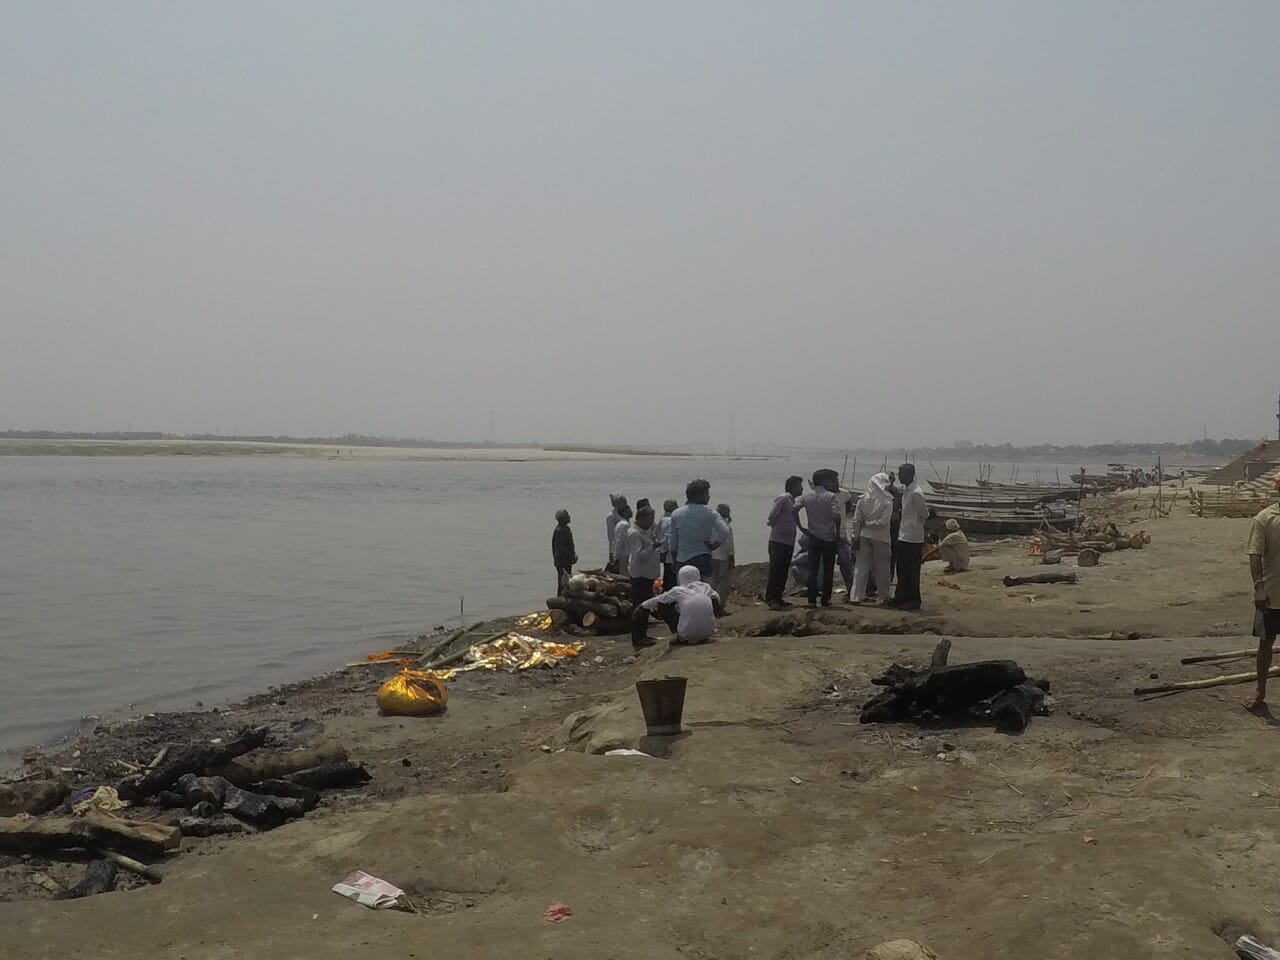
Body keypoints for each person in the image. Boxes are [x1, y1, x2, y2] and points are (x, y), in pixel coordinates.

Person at [1243, 471, 1280, 712]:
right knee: (1266, 644)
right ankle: (1260, 691)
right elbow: (1255, 555)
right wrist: (1258, 588)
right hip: (1272, 594)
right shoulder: (1265, 518)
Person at [632, 564, 723, 649]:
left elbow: (659, 599)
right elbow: (717, 598)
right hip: (708, 632)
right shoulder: (706, 587)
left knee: (663, 604)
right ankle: (704, 628)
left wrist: (642, 606)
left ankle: (679, 635)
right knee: (710, 600)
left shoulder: (678, 590)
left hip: (687, 634)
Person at [794, 469, 842, 607]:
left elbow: (794, 509)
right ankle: (825, 599)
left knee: (813, 569)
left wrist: (801, 527)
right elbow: (836, 516)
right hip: (828, 538)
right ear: (825, 482)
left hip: (814, 537)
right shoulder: (830, 496)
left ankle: (811, 599)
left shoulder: (807, 497)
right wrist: (837, 533)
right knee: (828, 569)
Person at [668, 479, 730, 580]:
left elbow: (673, 542)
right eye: (706, 494)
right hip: (702, 557)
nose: (709, 496)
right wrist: (714, 545)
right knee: (703, 590)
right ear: (699, 496)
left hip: (682, 558)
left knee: (684, 591)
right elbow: (725, 532)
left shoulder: (676, 514)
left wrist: (674, 560)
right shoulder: (711, 513)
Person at [851, 472, 894, 605]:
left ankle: (856, 596)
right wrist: (870, 524)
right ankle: (883, 596)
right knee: (882, 568)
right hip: (881, 537)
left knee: (861, 567)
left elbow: (856, 521)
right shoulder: (887, 501)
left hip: (864, 536)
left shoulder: (862, 500)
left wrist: (855, 536)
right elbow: (884, 522)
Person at [891, 463, 928, 611]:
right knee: (901, 568)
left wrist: (915, 524)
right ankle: (901, 597)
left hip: (913, 537)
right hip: (904, 535)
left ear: (909, 475)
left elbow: (924, 513)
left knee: (912, 570)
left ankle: (914, 599)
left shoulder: (916, 492)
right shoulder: (906, 491)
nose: (899, 476)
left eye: (901, 474)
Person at [766, 476, 804, 609]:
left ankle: (778, 597)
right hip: (778, 540)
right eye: (800, 486)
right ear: (793, 486)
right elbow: (772, 515)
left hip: (787, 541)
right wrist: (773, 524)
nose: (802, 488)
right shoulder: (784, 498)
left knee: (783, 570)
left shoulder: (791, 500)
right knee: (776, 570)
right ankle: (772, 599)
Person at [623, 505, 663, 609]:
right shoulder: (635, 534)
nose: (651, 522)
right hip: (641, 575)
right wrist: (653, 546)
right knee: (641, 604)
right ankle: (637, 624)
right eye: (650, 520)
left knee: (646, 603)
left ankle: (642, 623)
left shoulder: (646, 532)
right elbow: (639, 556)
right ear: (642, 519)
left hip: (647, 575)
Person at [710, 503, 735, 602]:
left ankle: (712, 602)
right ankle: (720, 604)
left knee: (713, 581)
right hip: (723, 556)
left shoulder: (711, 524)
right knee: (723, 582)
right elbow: (730, 544)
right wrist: (732, 557)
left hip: (712, 555)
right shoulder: (726, 526)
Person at [551, 509, 577, 595]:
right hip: (562, 561)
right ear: (563, 519)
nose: (569, 517)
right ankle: (560, 599)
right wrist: (572, 556)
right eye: (567, 516)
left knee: (566, 581)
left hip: (565, 560)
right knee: (563, 582)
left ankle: (563, 598)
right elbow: (562, 548)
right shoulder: (560, 531)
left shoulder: (565, 529)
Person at [656, 499, 679, 591]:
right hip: (670, 553)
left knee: (666, 576)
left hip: (663, 552)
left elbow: (657, 535)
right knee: (672, 579)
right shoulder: (670, 520)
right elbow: (669, 538)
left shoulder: (661, 519)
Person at [605, 493, 628, 571]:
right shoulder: (611, 516)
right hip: (615, 547)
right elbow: (611, 536)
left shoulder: (621, 515)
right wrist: (612, 553)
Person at [610, 503, 634, 577]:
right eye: (629, 510)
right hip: (624, 554)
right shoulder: (624, 525)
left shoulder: (621, 523)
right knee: (625, 575)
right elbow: (619, 541)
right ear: (624, 512)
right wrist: (616, 557)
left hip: (623, 554)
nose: (631, 511)